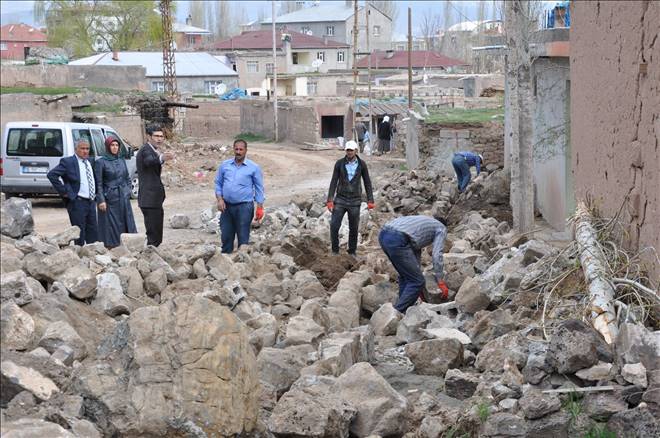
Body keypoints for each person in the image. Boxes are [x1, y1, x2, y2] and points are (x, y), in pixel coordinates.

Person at [378, 215, 449, 314]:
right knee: (417, 281)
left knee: (406, 276)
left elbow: (414, 259)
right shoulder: (441, 227)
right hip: (398, 238)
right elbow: (437, 254)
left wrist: (415, 291)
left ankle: (404, 308)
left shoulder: (423, 223)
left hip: (383, 235)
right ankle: (396, 313)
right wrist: (440, 281)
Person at [215, 139, 265, 253]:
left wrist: (260, 207)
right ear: (233, 149)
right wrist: (219, 199)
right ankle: (225, 262)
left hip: (244, 207)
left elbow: (259, 188)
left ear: (246, 150)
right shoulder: (225, 165)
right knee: (226, 236)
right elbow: (218, 183)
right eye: (236, 149)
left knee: (243, 237)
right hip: (226, 207)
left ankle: (242, 264)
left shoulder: (253, 167)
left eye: (241, 149)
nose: (238, 152)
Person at [326, 140, 375, 256]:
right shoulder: (339, 164)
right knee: (334, 225)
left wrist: (370, 200)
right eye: (347, 150)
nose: (349, 153)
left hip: (355, 201)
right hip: (341, 200)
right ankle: (335, 250)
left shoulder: (362, 164)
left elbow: (367, 182)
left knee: (354, 228)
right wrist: (330, 200)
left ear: (356, 151)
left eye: (351, 150)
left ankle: (352, 251)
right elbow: (333, 181)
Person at [47, 139, 99, 246]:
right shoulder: (68, 162)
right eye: (82, 148)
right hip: (77, 202)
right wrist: (64, 192)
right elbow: (52, 175)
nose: (85, 151)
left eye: (87, 149)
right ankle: (79, 257)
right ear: (76, 149)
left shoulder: (90, 161)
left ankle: (92, 257)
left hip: (91, 202)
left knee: (93, 232)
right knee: (79, 233)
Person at [95, 137, 137, 248]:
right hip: (109, 198)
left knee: (125, 220)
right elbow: (98, 183)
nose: (115, 147)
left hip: (123, 196)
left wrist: (127, 191)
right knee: (111, 224)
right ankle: (112, 246)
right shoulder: (101, 162)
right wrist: (101, 200)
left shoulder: (121, 160)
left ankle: (127, 245)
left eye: (117, 145)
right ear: (108, 147)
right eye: (112, 145)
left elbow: (127, 178)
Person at [136, 125, 172, 247]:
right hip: (149, 199)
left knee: (157, 234)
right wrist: (161, 157)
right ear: (148, 137)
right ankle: (149, 260)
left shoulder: (153, 150)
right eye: (156, 136)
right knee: (153, 235)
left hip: (154, 199)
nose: (159, 139)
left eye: (161, 136)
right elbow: (149, 161)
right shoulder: (146, 150)